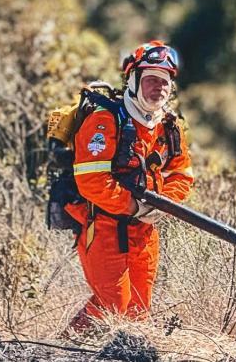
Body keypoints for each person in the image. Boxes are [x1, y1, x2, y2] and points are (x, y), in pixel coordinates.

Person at [65, 41, 194, 332]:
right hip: (104, 226)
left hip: (146, 230)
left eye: (164, 82)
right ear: (133, 80)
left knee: (138, 311)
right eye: (150, 79)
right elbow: (91, 181)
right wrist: (134, 206)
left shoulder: (170, 126)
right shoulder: (104, 120)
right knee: (113, 305)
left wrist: (162, 206)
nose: (158, 88)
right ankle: (64, 350)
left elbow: (182, 175)